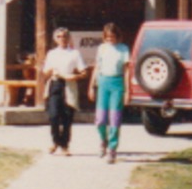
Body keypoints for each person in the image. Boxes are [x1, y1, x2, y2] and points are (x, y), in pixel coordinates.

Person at [40, 27, 88, 155]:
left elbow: (84, 72)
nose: (62, 39)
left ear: (68, 38)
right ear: (55, 39)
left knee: (67, 117)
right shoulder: (51, 53)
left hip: (69, 85)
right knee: (53, 115)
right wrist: (48, 72)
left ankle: (65, 145)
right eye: (59, 36)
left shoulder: (74, 53)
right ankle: (55, 141)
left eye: (64, 36)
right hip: (55, 84)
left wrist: (75, 76)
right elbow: (45, 73)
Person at [88, 22, 131, 164]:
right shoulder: (102, 48)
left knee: (115, 118)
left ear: (117, 36)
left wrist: (127, 91)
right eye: (107, 38)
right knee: (100, 119)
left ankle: (112, 149)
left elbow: (127, 71)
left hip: (117, 83)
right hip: (103, 83)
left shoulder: (123, 49)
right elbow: (96, 67)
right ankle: (103, 140)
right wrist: (91, 86)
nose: (110, 40)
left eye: (112, 37)